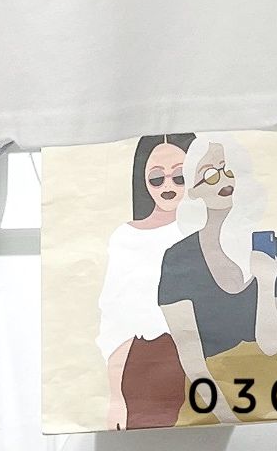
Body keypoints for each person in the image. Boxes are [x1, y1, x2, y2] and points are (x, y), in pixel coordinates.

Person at [158, 135, 277, 420]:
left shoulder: (272, 249)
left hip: (275, 396)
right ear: (193, 188)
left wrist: (266, 282)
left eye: (229, 169)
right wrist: (228, 419)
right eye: (209, 173)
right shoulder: (178, 259)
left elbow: (271, 346)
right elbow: (192, 360)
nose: (223, 179)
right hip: (209, 403)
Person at [96, 134, 195, 430]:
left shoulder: (208, 230)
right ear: (142, 180)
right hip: (146, 364)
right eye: (156, 178)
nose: (168, 186)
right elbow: (115, 320)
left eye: (179, 176)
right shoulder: (126, 237)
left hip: (207, 358)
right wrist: (116, 398)